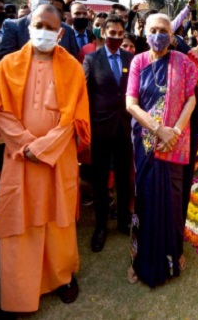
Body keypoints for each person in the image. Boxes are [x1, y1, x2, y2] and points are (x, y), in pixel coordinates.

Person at [0, 4, 90, 319]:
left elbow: (73, 119)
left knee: (58, 219)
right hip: (21, 159)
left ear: (60, 32)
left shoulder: (72, 67)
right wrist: (28, 145)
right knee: (20, 223)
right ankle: (17, 295)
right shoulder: (7, 65)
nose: (43, 30)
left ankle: (61, 278)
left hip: (58, 159)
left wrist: (44, 148)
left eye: (50, 26)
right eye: (38, 24)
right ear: (28, 27)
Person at [126, 13, 198, 287]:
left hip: (175, 143)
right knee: (144, 199)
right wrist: (159, 130)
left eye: (164, 30)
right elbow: (131, 104)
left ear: (172, 35)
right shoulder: (138, 61)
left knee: (173, 198)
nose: (158, 35)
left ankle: (174, 252)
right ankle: (139, 260)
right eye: (153, 30)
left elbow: (191, 99)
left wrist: (175, 132)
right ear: (145, 33)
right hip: (146, 142)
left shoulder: (183, 61)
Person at [83, 15, 134, 252]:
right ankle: (101, 227)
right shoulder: (91, 60)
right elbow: (84, 94)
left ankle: (124, 221)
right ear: (103, 33)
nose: (115, 37)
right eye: (111, 33)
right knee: (101, 180)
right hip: (101, 129)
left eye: (119, 33)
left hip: (125, 128)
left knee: (125, 178)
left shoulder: (130, 58)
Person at [0, 0, 78, 61]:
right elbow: (4, 62)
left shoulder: (67, 31)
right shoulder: (14, 27)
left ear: (52, 1)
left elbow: (74, 62)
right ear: (28, 0)